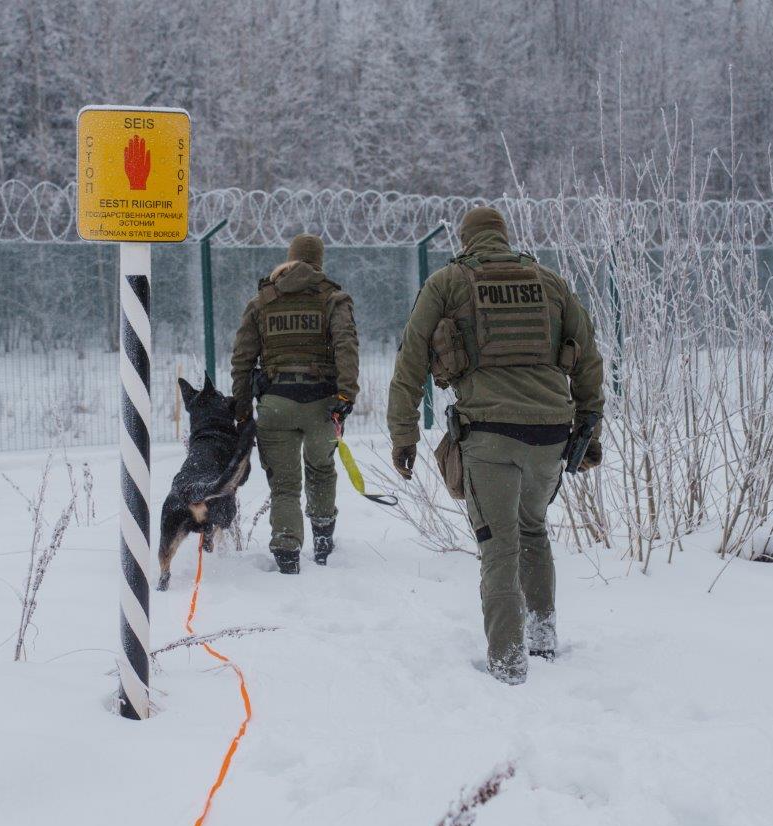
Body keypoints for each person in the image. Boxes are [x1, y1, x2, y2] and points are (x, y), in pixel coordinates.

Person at [386, 206, 604, 684]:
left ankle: (507, 664)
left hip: (489, 434)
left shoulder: (447, 282)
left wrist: (403, 434)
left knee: (498, 547)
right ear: (505, 239)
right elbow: (587, 357)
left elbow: (411, 360)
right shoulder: (550, 282)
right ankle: (542, 639)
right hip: (551, 433)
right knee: (533, 531)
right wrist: (590, 431)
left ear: (465, 241)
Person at [231, 234, 359, 575]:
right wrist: (346, 396)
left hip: (276, 404)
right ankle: (322, 541)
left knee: (285, 485)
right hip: (322, 403)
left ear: (288, 261)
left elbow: (242, 360)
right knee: (320, 470)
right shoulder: (334, 298)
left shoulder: (262, 301)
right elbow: (347, 346)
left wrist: (242, 410)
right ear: (320, 262)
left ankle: (287, 554)